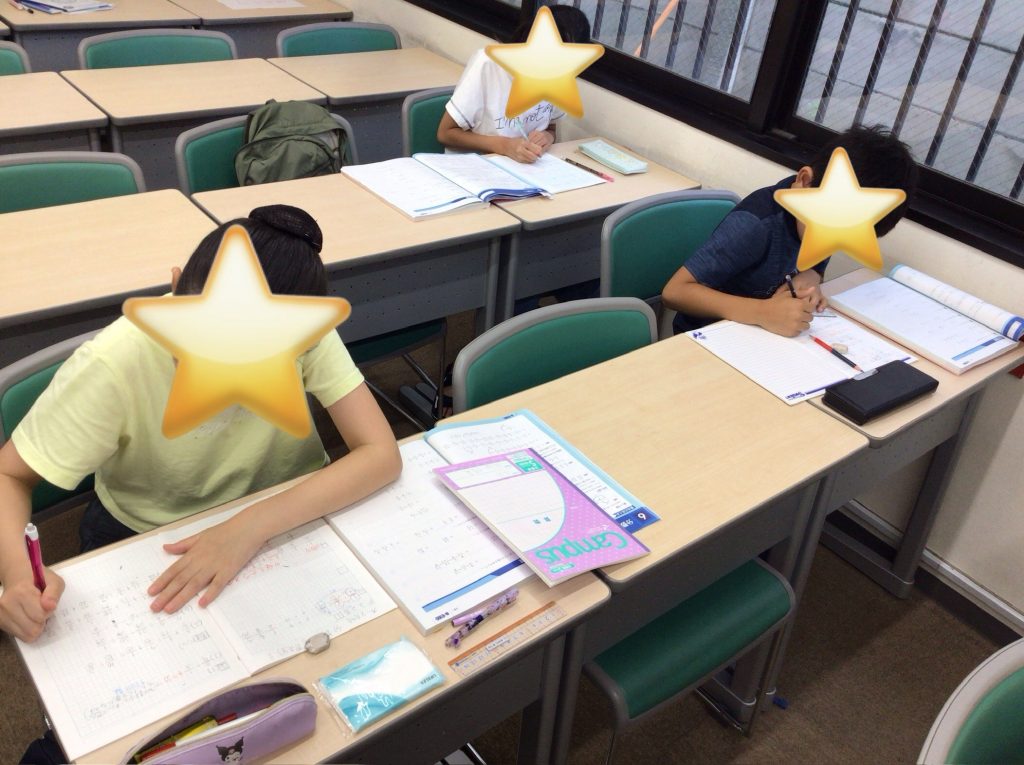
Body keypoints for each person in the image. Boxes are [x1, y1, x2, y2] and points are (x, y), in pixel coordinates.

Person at [0, 204, 402, 645]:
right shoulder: (114, 363)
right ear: (176, 288)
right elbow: (9, 475)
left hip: (286, 508)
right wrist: (18, 574)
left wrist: (248, 527)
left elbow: (380, 452)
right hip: (149, 532)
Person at [662, 124, 919, 337]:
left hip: (763, 339)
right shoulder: (756, 225)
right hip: (708, 337)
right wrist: (762, 312)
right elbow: (675, 292)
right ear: (804, 181)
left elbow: (814, 266)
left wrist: (812, 276)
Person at [437, 5, 592, 163]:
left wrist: (547, 137)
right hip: (476, 164)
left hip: (523, 168)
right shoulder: (488, 64)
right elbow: (445, 133)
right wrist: (504, 146)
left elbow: (550, 127)